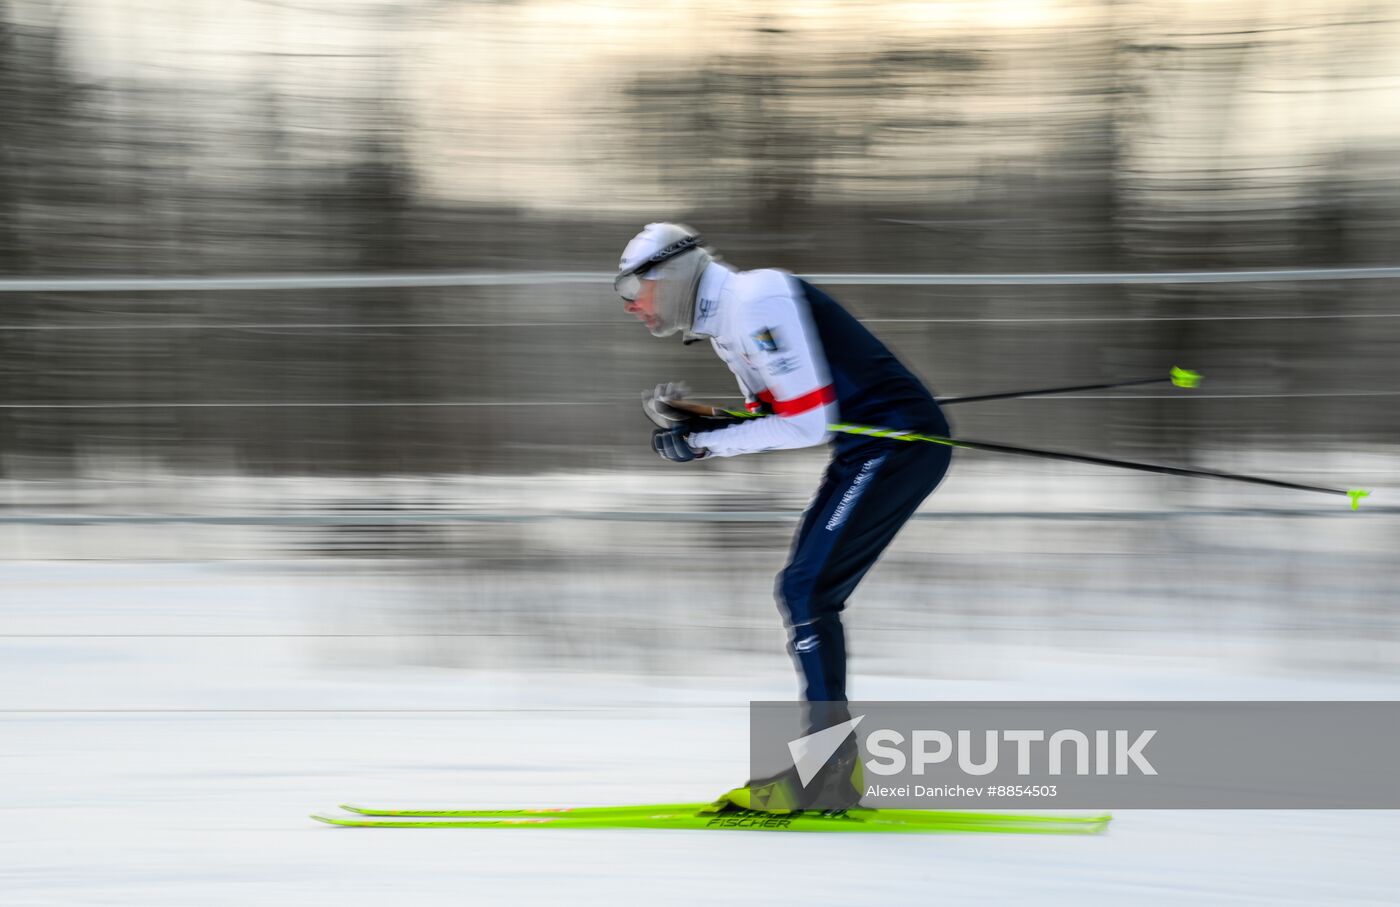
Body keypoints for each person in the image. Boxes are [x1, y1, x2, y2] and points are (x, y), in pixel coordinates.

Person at [615, 223, 952, 811]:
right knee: (804, 591)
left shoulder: (756, 300)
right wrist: (703, 421)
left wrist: (705, 444)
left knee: (806, 590)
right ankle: (832, 771)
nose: (631, 307)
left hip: (896, 443)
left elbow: (805, 424)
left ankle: (829, 776)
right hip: (868, 448)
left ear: (667, 276)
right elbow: (774, 408)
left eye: (632, 290)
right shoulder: (723, 324)